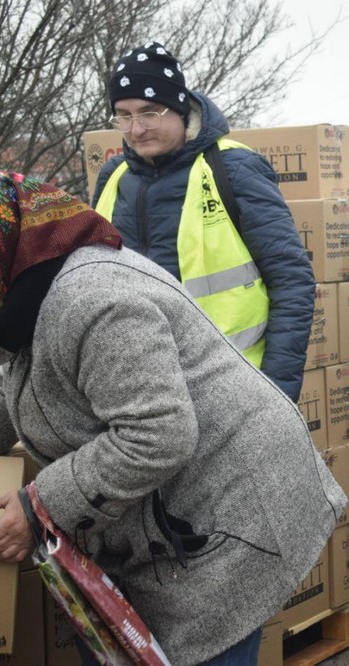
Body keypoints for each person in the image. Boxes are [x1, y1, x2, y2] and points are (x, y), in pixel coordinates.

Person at [0, 172, 347, 666]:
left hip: (231, 505)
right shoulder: (34, 286)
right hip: (180, 504)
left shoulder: (94, 301)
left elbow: (156, 434)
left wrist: (41, 503)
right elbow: (31, 375)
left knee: (200, 653)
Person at [92, 42, 314, 402]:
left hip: (231, 387)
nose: (136, 129)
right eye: (124, 115)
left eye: (150, 112)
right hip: (137, 389)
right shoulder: (112, 177)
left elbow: (291, 282)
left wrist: (277, 394)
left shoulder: (235, 169)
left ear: (179, 109)